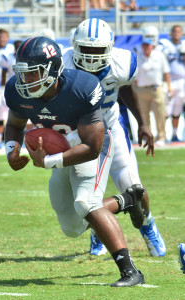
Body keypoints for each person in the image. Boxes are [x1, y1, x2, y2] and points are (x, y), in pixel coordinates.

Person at [4, 35, 145, 287]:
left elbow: (92, 147)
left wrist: (47, 162)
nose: (26, 80)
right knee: (72, 227)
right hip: (62, 153)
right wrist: (11, 150)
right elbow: (14, 123)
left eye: (34, 73)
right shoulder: (17, 90)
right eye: (23, 73)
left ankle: (130, 271)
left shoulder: (82, 87)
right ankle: (126, 200)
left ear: (53, 69)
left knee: (86, 203)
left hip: (92, 146)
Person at [63, 18, 166, 257]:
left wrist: (143, 123)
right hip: (80, 134)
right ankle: (99, 230)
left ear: (109, 48)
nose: (90, 56)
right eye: (86, 49)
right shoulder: (62, 63)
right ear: (74, 46)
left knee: (134, 188)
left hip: (111, 126)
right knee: (86, 199)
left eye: (96, 50)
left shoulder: (122, 63)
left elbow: (126, 88)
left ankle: (147, 223)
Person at [135, 37, 171, 147]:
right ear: (142, 47)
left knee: (159, 113)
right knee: (144, 115)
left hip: (157, 88)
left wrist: (169, 87)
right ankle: (148, 137)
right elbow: (134, 76)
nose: (146, 47)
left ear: (152, 46)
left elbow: (166, 73)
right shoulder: (138, 58)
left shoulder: (159, 56)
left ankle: (161, 137)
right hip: (141, 89)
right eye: (144, 45)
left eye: (148, 45)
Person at [158, 25, 185, 142]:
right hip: (169, 81)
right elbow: (159, 58)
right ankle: (163, 134)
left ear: (182, 33)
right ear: (170, 33)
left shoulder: (183, 45)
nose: (176, 34)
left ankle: (174, 134)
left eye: (178, 32)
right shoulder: (165, 45)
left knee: (177, 110)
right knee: (167, 109)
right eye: (174, 31)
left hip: (182, 81)